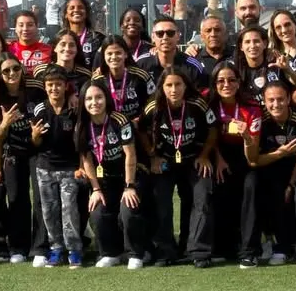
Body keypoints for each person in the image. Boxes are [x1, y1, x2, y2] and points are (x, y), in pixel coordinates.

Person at [139, 66, 217, 267]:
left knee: (202, 199)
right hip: (165, 160)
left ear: (185, 85)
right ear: (162, 87)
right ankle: (165, 251)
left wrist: (204, 155)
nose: (174, 89)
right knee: (162, 202)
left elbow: (213, 128)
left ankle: (198, 252)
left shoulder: (197, 103)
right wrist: (153, 156)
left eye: (178, 84)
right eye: (169, 85)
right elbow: (140, 130)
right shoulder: (153, 106)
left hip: (193, 159)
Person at [75, 79, 141, 269]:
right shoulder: (81, 127)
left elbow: (130, 154)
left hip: (128, 177)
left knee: (127, 209)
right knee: (97, 212)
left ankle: (135, 253)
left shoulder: (120, 120)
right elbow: (86, 160)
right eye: (89, 99)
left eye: (98, 97)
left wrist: (129, 186)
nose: (94, 102)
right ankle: (110, 252)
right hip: (104, 180)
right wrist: (95, 188)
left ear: (106, 99)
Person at [251, 79, 296, 265]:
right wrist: (279, 154)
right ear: (264, 101)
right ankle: (282, 246)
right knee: (270, 193)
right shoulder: (259, 120)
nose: (275, 104)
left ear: (288, 99)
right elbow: (254, 160)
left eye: (280, 99)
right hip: (271, 165)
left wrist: (291, 184)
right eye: (271, 100)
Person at [207, 62, 262, 264]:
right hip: (218, 155)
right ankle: (224, 247)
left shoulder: (252, 107)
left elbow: (254, 153)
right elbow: (205, 136)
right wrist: (217, 157)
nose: (226, 84)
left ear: (239, 83)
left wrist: (247, 135)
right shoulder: (208, 102)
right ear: (214, 84)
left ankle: (250, 251)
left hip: (247, 155)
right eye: (220, 80)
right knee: (218, 189)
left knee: (251, 188)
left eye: (231, 80)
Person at [30, 66, 83, 267]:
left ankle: (74, 249)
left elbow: (81, 141)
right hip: (45, 168)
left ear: (65, 86)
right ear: (45, 87)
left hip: (69, 168)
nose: (54, 89)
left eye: (58, 85)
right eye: (50, 85)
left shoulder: (74, 109)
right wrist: (34, 136)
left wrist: (80, 165)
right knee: (49, 211)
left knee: (69, 210)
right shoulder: (40, 109)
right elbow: (35, 143)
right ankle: (56, 248)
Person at [0, 57, 40, 263]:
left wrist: (72, 95)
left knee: (40, 198)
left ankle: (39, 247)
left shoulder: (35, 89)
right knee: (17, 198)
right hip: (13, 152)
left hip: (38, 149)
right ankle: (18, 246)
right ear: (0, 75)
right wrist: (6, 122)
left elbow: (59, 89)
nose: (12, 73)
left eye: (15, 68)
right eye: (6, 71)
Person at [92, 36, 156, 123]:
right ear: (103, 56)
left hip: (137, 125)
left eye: (118, 53)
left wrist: (142, 118)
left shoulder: (141, 76)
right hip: (110, 128)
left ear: (126, 54)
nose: (114, 57)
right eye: (109, 54)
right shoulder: (98, 80)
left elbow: (154, 99)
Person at [134, 17, 205, 90]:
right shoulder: (141, 64)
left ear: (177, 36)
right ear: (153, 37)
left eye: (170, 33)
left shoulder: (193, 67)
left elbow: (199, 97)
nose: (165, 37)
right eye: (160, 33)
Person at [63, 0, 104, 70]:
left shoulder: (99, 39)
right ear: (66, 14)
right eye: (72, 8)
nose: (76, 10)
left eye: (80, 7)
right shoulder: (59, 40)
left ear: (87, 13)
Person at [9, 10, 52, 76]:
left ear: (37, 27)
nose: (25, 29)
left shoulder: (49, 50)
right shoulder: (8, 49)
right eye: (21, 25)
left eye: (30, 25)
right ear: (15, 28)